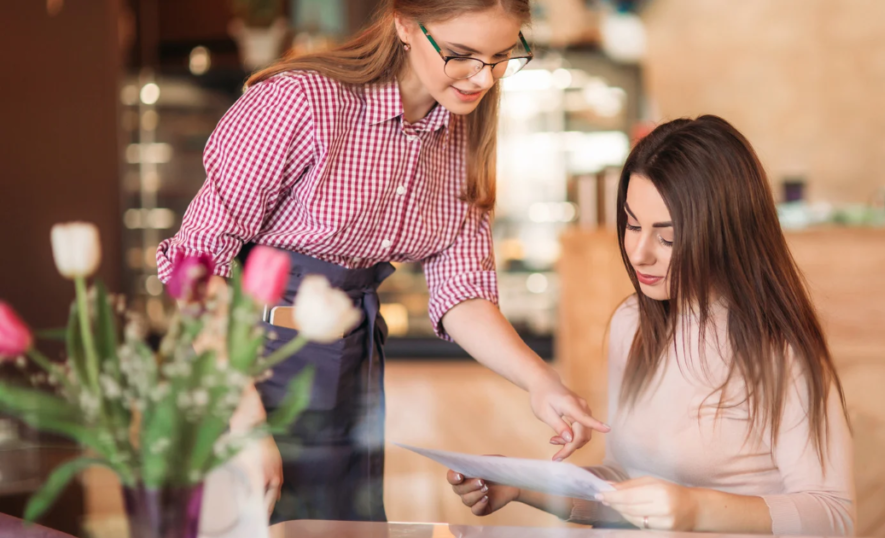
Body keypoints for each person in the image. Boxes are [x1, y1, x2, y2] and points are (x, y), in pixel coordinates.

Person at [156, 0, 609, 523]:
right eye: (461, 54)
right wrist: (244, 421)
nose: (481, 78)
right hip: (242, 367)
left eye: (501, 56)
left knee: (343, 528)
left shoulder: (461, 130)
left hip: (351, 367)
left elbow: (462, 289)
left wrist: (541, 382)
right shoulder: (301, 102)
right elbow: (194, 268)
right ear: (404, 25)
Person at [447, 116, 855, 536]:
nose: (639, 254)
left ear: (725, 233)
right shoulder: (633, 323)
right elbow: (624, 486)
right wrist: (522, 486)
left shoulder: (779, 347)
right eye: (632, 224)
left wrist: (695, 509)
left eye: (668, 237)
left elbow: (832, 516)